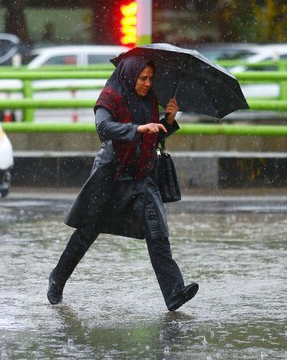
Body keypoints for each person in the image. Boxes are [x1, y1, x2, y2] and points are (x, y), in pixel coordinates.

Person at [47, 55, 199, 311]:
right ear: (130, 75)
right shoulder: (111, 96)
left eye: (151, 79)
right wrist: (137, 129)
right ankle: (57, 279)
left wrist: (168, 122)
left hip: (142, 175)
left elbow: (153, 136)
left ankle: (174, 292)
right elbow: (103, 128)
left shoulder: (150, 100)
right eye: (142, 78)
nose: (147, 84)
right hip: (112, 174)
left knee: (157, 232)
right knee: (87, 232)